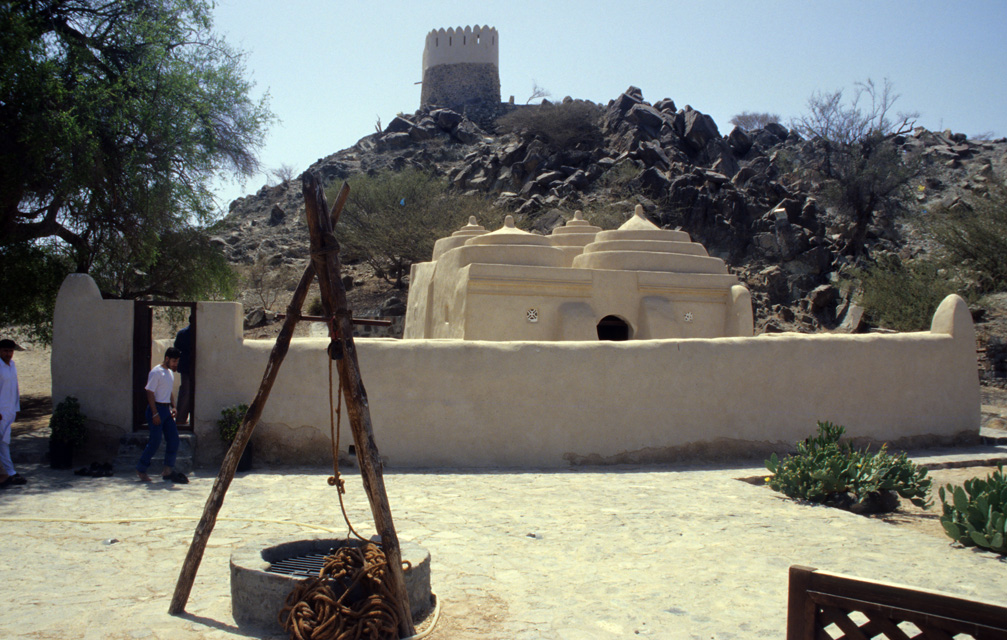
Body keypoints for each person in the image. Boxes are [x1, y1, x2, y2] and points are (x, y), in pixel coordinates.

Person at [136, 346, 188, 483]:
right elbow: (150, 392)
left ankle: (167, 470)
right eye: (174, 361)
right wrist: (154, 413)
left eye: (177, 361)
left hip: (166, 410)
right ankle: (141, 469)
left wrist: (174, 406)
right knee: (155, 441)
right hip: (156, 409)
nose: (176, 364)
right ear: (167, 359)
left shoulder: (170, 373)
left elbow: (169, 391)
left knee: (174, 439)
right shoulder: (156, 372)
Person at [0, 338, 27, 488]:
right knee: (3, 443)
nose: (8, 354)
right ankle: (10, 472)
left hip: (9, 411)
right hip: (0, 411)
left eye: (10, 351)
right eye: (5, 350)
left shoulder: (12, 366)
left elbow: (14, 389)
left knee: (4, 441)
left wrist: (16, 409)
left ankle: (9, 472)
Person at [173, 316, 193, 427]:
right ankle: (181, 419)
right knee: (187, 392)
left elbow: (176, 349)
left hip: (185, 366)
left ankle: (181, 418)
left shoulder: (182, 333)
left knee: (185, 391)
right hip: (189, 366)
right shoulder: (193, 333)